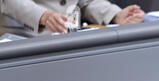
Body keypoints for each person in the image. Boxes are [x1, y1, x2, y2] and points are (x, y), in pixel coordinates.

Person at [0, 0, 144, 36]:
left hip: (69, 37)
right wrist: (43, 16)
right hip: (22, 35)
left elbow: (85, 1)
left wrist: (114, 15)